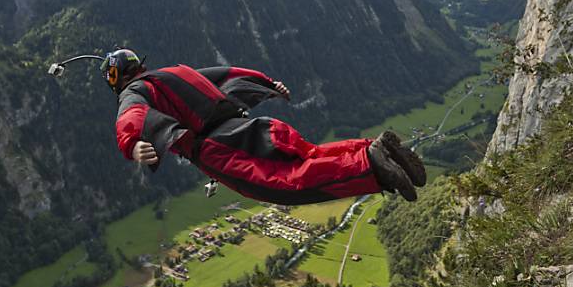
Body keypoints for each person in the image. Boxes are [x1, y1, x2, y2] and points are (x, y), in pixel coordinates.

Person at [101, 48, 426, 205]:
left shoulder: (135, 90)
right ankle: (375, 149)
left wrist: (131, 143)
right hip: (253, 126)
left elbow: (131, 114)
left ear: (118, 80)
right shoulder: (177, 72)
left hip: (220, 147)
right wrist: (267, 84)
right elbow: (227, 74)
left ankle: (372, 165)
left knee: (285, 185)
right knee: (309, 156)